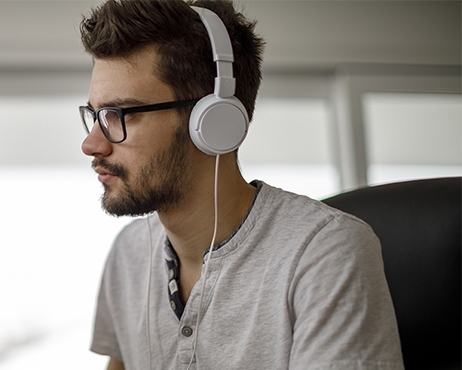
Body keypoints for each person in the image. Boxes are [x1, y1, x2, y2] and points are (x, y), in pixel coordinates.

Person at [77, 1, 404, 369]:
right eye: (94, 115)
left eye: (120, 114)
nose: (92, 144)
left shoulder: (323, 251)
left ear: (213, 122)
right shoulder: (130, 254)